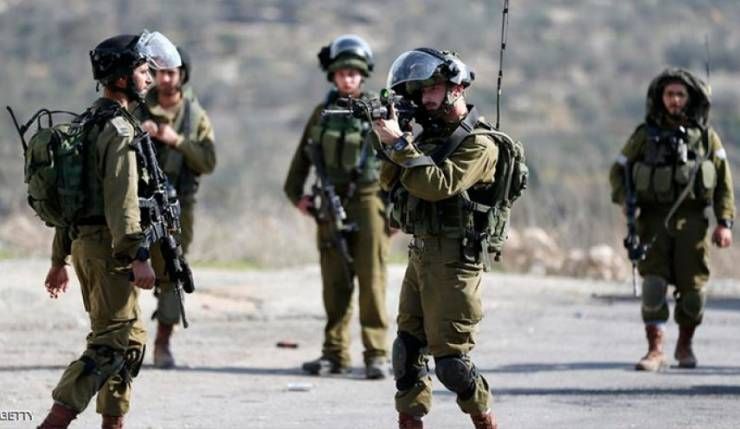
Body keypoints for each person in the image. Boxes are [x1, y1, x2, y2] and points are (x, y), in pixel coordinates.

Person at [37, 31, 181, 429]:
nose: (149, 77)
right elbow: (122, 203)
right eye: (142, 70)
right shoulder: (117, 131)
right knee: (109, 345)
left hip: (90, 247)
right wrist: (138, 256)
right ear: (120, 77)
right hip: (110, 251)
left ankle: (112, 423)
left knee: (130, 342)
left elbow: (74, 200)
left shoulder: (87, 123)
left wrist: (59, 259)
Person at [373, 48, 510, 429]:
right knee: (407, 353)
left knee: (452, 364)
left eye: (432, 88)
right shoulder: (426, 138)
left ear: (457, 88)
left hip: (455, 259)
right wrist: (389, 138)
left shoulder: (480, 144)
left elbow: (437, 185)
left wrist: (400, 145)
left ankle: (485, 420)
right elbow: (388, 180)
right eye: (420, 91)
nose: (425, 98)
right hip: (420, 253)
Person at [609, 68, 735, 372]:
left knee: (693, 292)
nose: (675, 100)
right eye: (669, 94)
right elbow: (618, 170)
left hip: (693, 223)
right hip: (653, 221)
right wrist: (626, 202)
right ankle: (655, 349)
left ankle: (685, 345)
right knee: (653, 286)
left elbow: (723, 183)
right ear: (660, 97)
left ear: (689, 98)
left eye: (680, 94)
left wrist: (724, 223)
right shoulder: (644, 135)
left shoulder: (706, 138)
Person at [283, 35, 391, 379]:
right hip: (330, 203)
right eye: (342, 73)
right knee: (334, 283)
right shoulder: (322, 114)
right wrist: (297, 195)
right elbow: (302, 159)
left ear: (363, 75)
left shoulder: (378, 112)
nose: (348, 79)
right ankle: (334, 353)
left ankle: (376, 354)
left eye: (354, 73)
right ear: (333, 76)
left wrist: (397, 211)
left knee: (372, 280)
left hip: (369, 201)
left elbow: (398, 157)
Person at [135, 45, 216, 369]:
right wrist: (139, 134)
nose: (166, 79)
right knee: (127, 268)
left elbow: (208, 161)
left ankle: (162, 343)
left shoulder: (195, 117)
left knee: (171, 271)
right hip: (138, 203)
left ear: (182, 75)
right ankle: (124, 340)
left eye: (172, 73)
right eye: (161, 73)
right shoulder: (139, 109)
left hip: (178, 207)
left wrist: (176, 140)